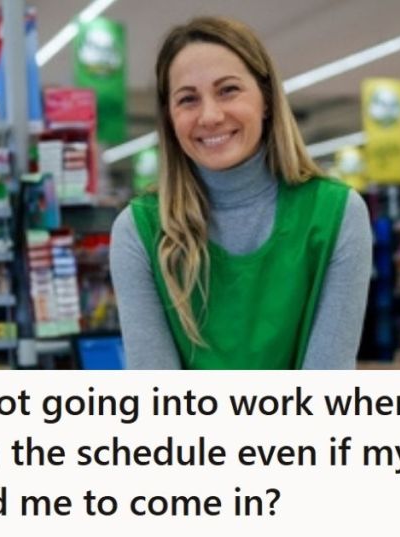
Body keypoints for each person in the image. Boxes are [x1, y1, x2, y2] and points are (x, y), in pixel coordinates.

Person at [110, 16, 372, 370]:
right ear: (170, 118)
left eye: (228, 90)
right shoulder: (138, 230)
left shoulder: (337, 213)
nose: (210, 115)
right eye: (188, 99)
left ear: (266, 99)